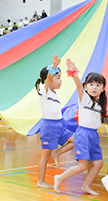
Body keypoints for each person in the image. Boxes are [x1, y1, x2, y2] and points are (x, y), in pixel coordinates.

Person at [54, 59, 106, 195]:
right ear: (86, 86)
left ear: (103, 88)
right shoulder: (84, 98)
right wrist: (73, 71)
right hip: (83, 134)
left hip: (94, 135)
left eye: (98, 85)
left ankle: (85, 186)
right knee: (83, 165)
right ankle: (60, 177)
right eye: (91, 84)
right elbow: (77, 84)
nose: (94, 87)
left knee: (99, 163)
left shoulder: (100, 104)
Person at [35, 55, 74, 189]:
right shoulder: (44, 91)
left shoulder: (55, 94)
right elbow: (49, 78)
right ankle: (40, 181)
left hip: (59, 125)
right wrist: (54, 67)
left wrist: (55, 70)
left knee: (77, 140)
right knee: (45, 155)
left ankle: (57, 152)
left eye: (60, 77)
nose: (61, 80)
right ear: (48, 80)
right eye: (58, 78)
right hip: (49, 126)